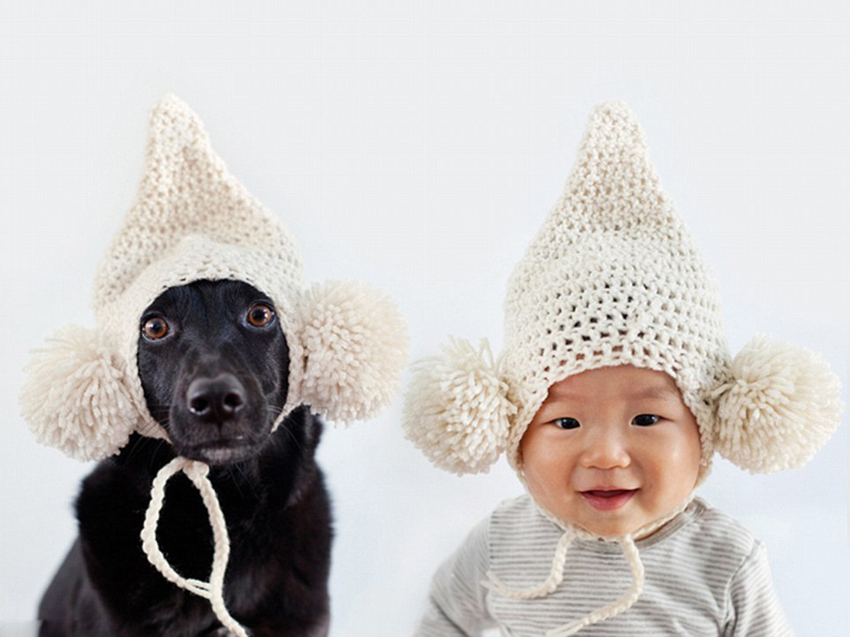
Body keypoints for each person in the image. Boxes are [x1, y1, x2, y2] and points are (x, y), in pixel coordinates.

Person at [401, 100, 843, 636]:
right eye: (566, 421)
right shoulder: (502, 542)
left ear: (709, 426)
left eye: (646, 419)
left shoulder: (726, 561)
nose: (607, 455)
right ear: (513, 430)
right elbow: (445, 617)